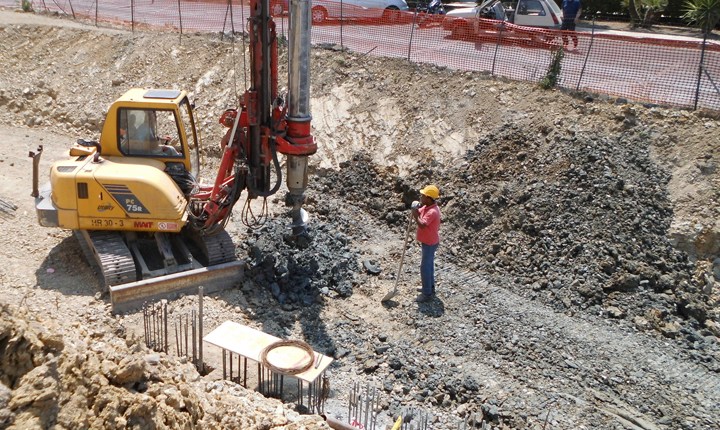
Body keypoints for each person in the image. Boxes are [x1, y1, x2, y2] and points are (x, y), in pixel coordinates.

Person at [411, 184, 441, 303]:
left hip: (430, 243)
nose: (421, 197)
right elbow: (419, 211)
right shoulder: (428, 206)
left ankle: (427, 293)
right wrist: (415, 208)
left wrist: (414, 215)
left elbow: (422, 225)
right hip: (429, 241)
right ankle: (430, 287)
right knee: (429, 266)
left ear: (429, 198)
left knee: (425, 267)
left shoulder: (432, 211)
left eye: (423, 196)